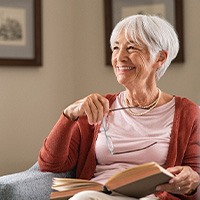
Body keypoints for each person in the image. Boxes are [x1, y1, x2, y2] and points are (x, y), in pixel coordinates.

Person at [38, 14, 200, 200]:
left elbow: (193, 182)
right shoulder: (97, 107)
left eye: (131, 48)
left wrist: (192, 182)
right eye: (116, 48)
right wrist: (68, 115)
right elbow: (50, 165)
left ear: (160, 58)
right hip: (98, 195)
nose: (119, 57)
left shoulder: (188, 113)